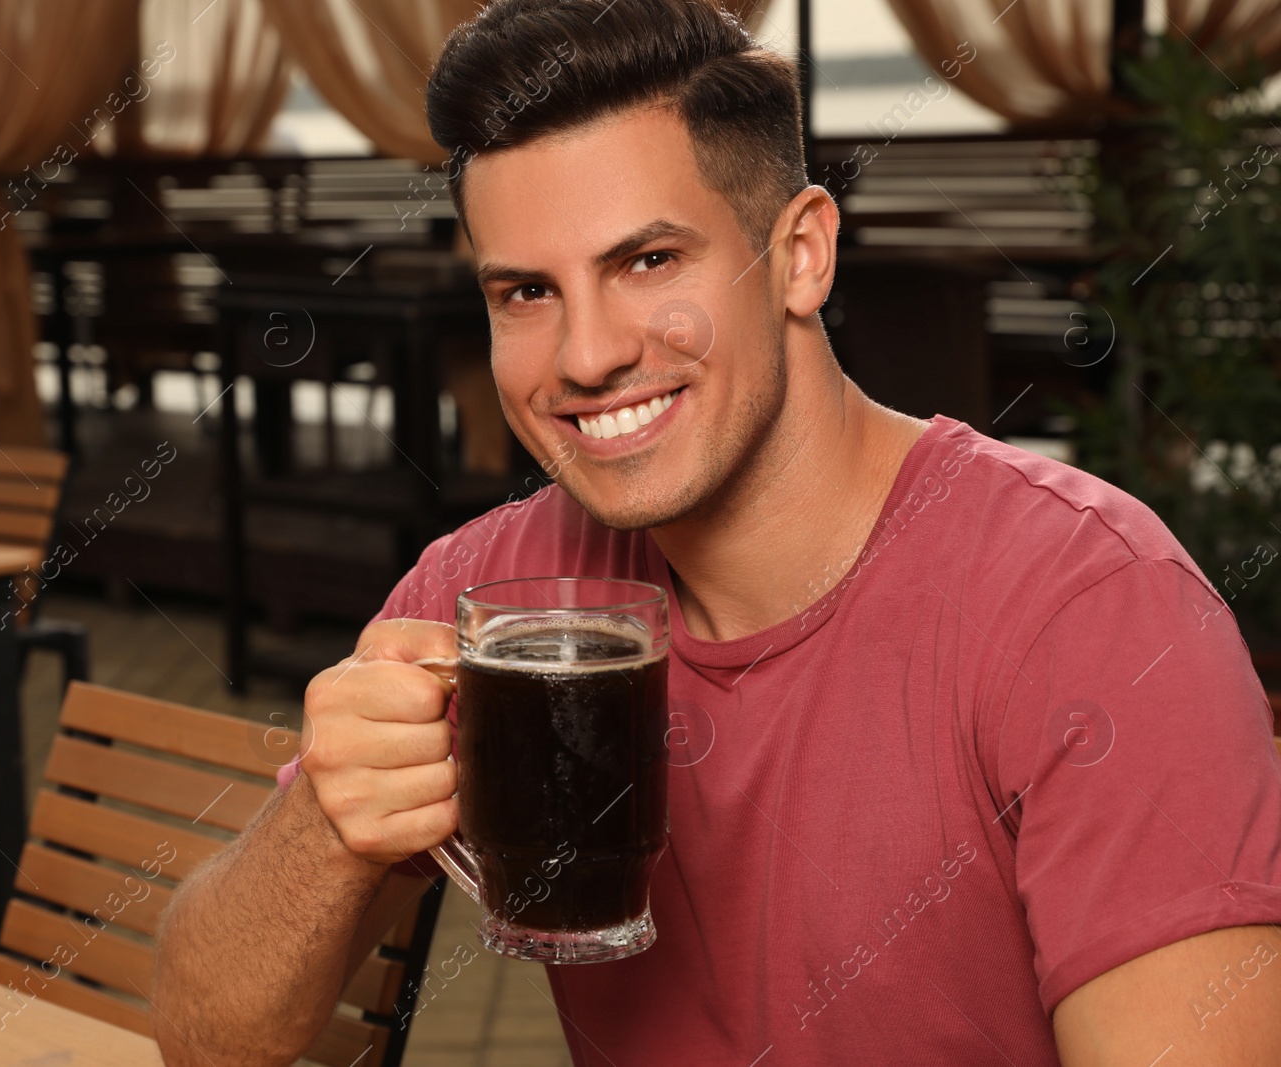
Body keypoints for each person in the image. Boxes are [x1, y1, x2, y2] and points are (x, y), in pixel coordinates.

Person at [152, 0, 1281, 1062]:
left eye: (647, 262)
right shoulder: (490, 595)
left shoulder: (1092, 610)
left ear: (800, 254)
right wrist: (325, 828)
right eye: (524, 293)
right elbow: (206, 1036)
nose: (585, 356)